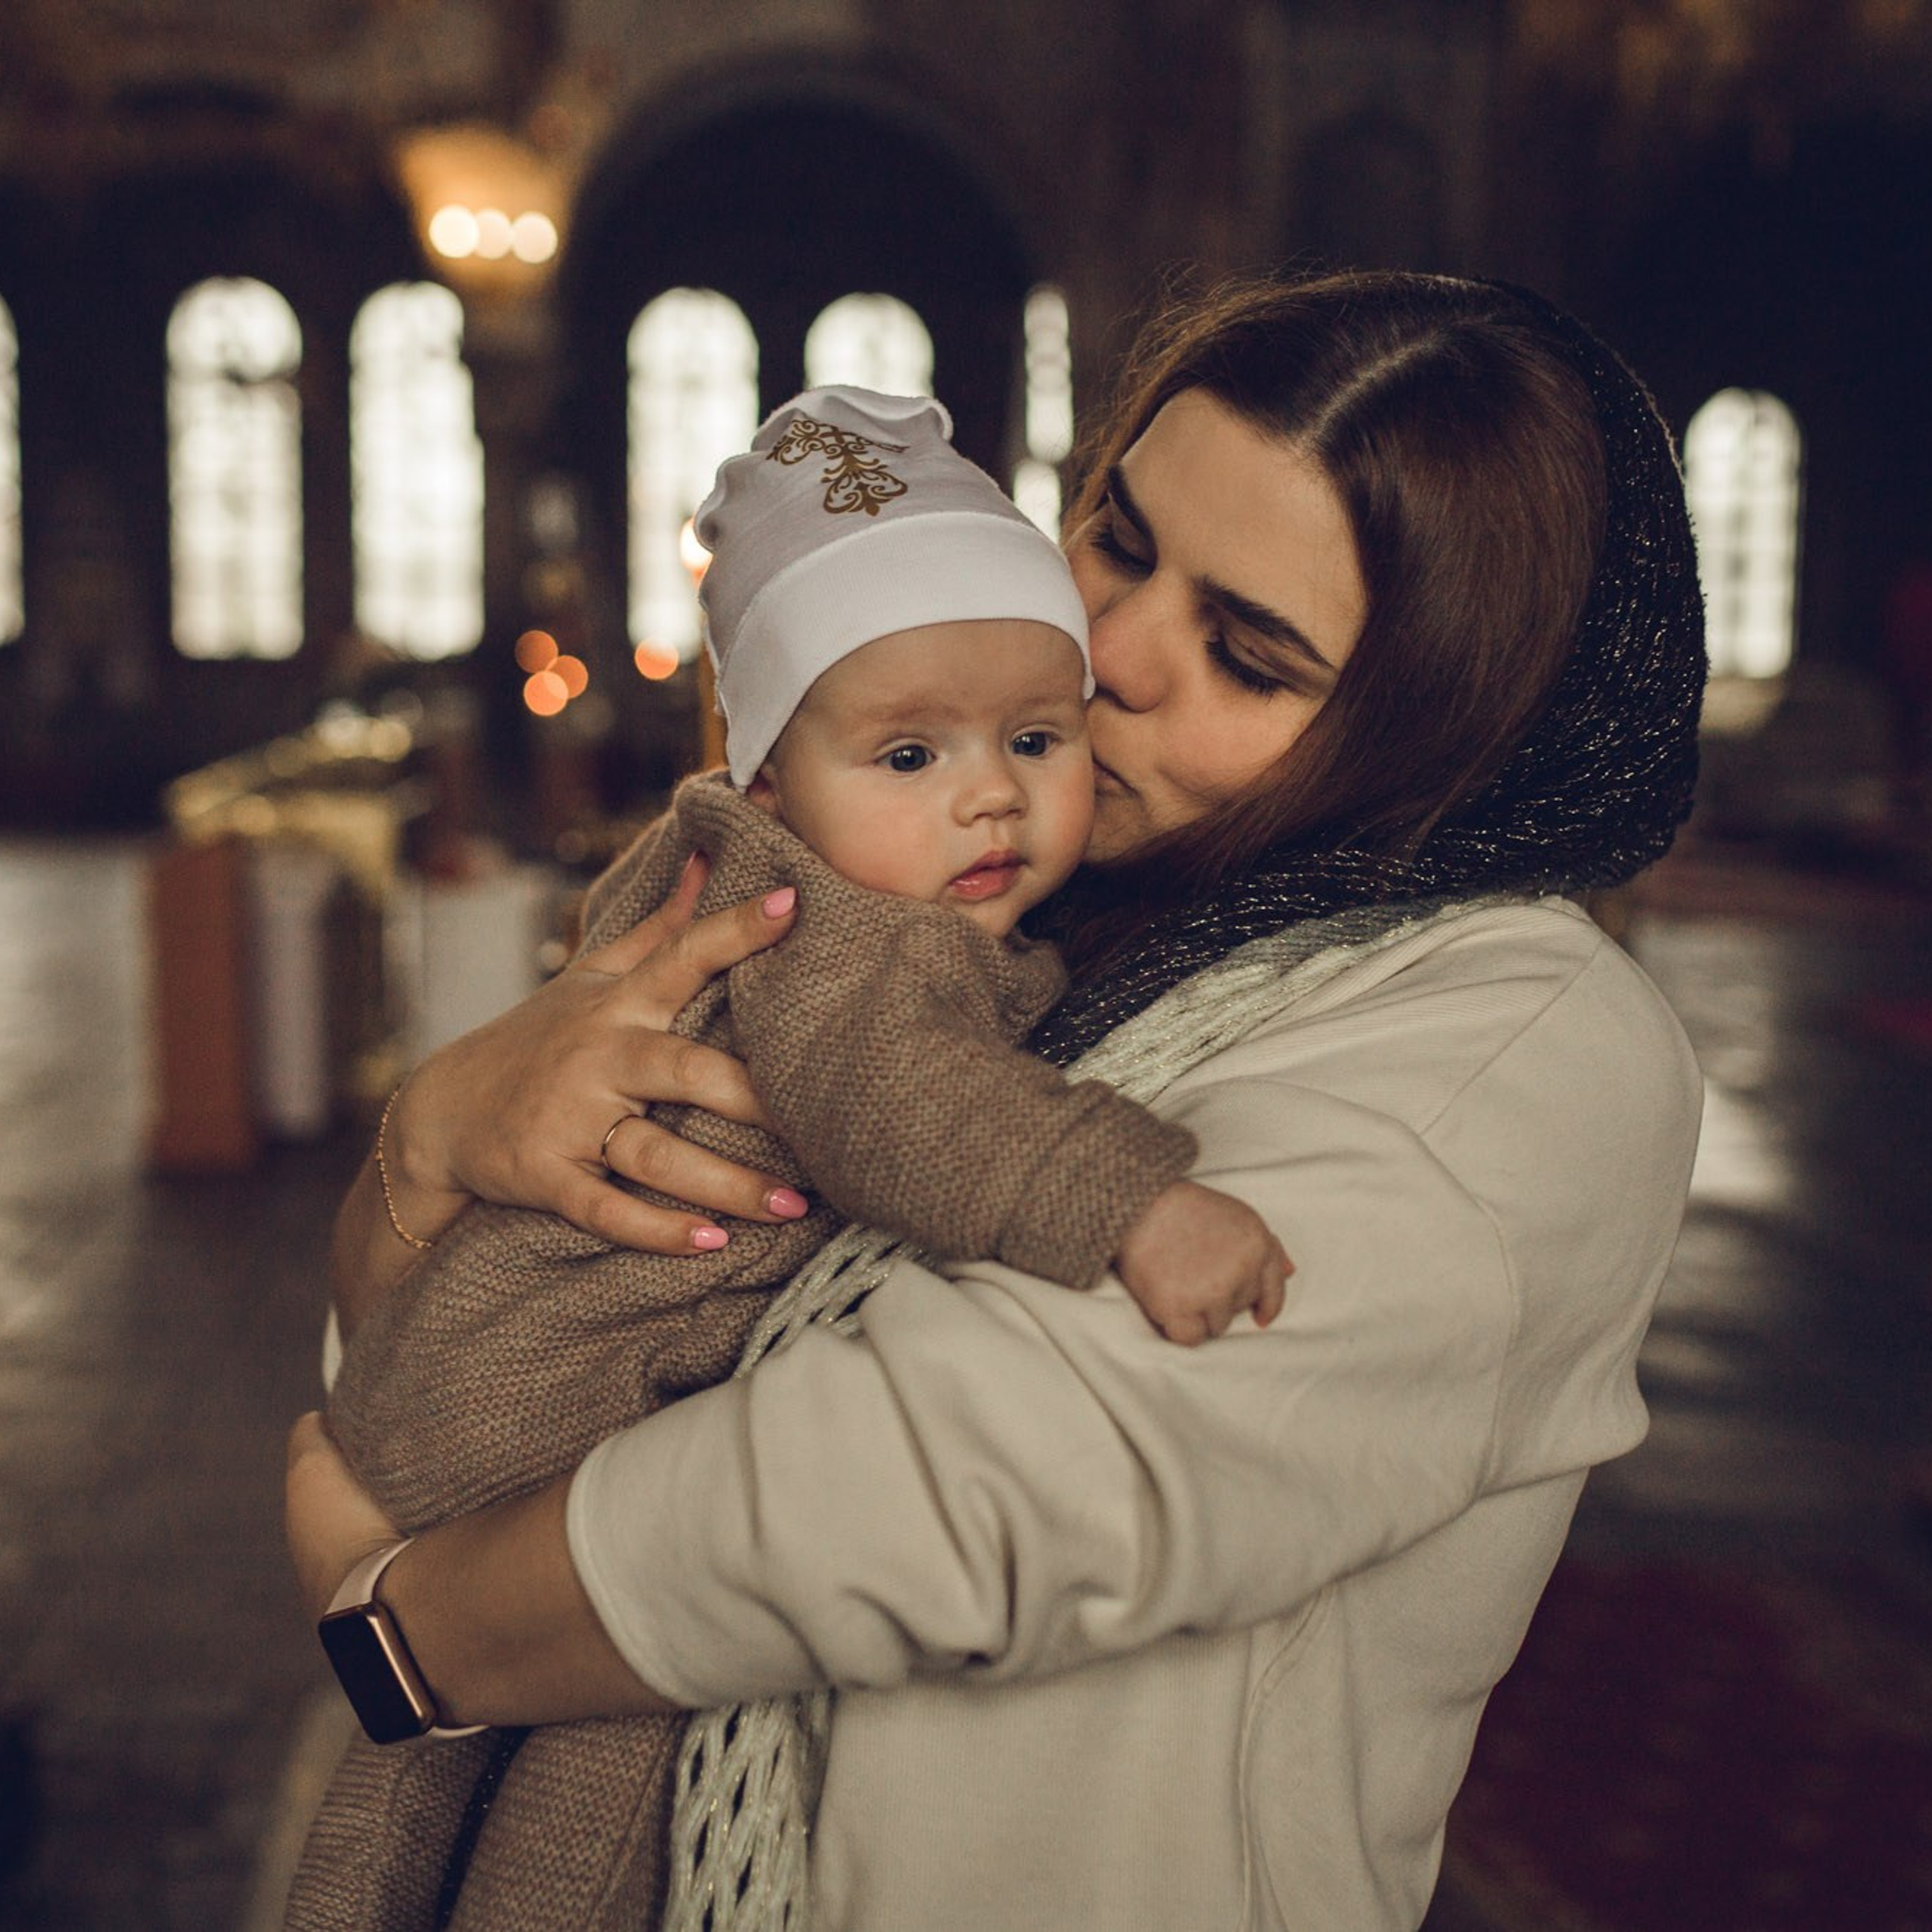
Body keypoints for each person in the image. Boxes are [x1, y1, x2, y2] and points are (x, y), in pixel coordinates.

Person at [288, 269, 1709, 1931]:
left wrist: (401, 1624)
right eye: (1114, 540)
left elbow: (944, 1482)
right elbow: (530, 1318)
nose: (1104, 658)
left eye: (1242, 652)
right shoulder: (974, 905)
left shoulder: (1522, 1038)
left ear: (1434, 745)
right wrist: (437, 1138)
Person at [288, 387, 1289, 1932]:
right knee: (591, 1798)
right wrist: (1130, 1198)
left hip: (504, 1382)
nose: (987, 793)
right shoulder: (839, 935)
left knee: (432, 1795)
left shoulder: (751, 860)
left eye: (1036, 736)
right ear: (767, 778)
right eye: (907, 752)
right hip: (569, 1399)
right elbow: (900, 1100)